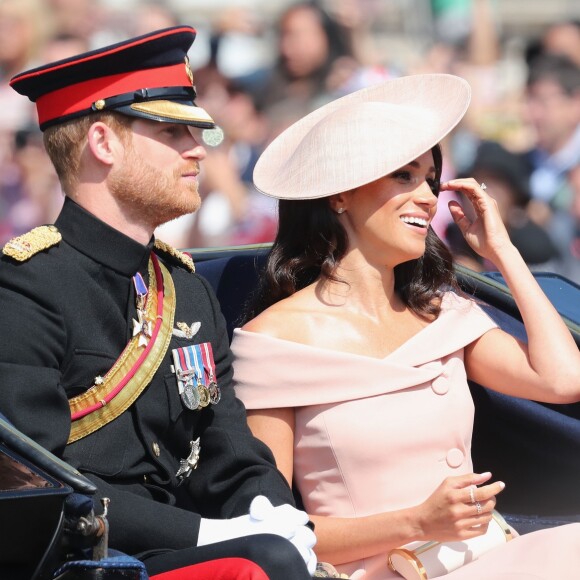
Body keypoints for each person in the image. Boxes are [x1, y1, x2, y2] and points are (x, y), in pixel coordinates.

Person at [231, 74, 580, 579]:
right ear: (340, 196)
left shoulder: (443, 315)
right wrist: (415, 521)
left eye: (431, 180)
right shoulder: (273, 342)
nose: (428, 198)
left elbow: (562, 379)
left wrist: (502, 250)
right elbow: (267, 530)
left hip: (492, 555)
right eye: (404, 176)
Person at [0, 26, 317, 579]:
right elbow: (42, 481)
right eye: (172, 131)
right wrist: (209, 534)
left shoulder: (184, 287)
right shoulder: (26, 288)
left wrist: (273, 512)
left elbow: (229, 443)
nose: (198, 149)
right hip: (88, 559)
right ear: (103, 143)